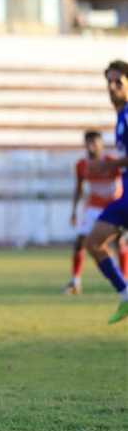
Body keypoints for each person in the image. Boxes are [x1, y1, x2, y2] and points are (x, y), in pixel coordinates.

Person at [84, 60, 128, 325]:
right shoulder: (121, 117)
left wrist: (108, 163)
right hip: (125, 198)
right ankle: (125, 294)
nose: (112, 88)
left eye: (118, 82)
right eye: (109, 83)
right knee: (93, 242)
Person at [65, 130, 124, 295]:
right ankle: (75, 282)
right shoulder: (81, 165)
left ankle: (124, 279)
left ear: (101, 144)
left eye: (94, 142)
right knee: (80, 242)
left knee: (119, 243)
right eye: (88, 142)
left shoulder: (112, 162)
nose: (91, 146)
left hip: (113, 206)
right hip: (93, 208)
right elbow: (79, 188)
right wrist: (74, 211)